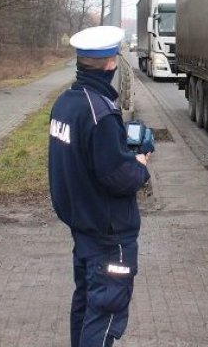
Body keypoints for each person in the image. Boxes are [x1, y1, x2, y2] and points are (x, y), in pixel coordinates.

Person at [48, 25, 151, 347]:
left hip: (84, 226)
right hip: (109, 233)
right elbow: (117, 178)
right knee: (106, 313)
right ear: (111, 64)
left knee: (87, 306)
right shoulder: (101, 113)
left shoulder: (66, 102)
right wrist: (141, 166)